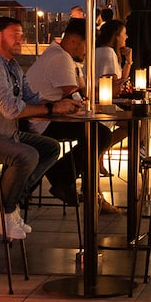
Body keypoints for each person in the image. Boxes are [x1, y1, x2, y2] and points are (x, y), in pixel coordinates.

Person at [0, 15, 75, 238]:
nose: (20, 40)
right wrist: (51, 110)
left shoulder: (12, 65)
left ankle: (9, 204)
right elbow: (10, 109)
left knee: (50, 148)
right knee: (26, 155)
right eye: (14, 36)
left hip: (2, 134)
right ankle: (3, 209)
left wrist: (60, 104)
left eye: (21, 35)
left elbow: (31, 98)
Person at [28, 18, 113, 209]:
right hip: (40, 121)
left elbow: (82, 93)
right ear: (74, 41)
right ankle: (61, 177)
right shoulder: (60, 58)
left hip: (44, 117)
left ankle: (63, 178)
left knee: (96, 133)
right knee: (100, 134)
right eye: (86, 45)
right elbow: (75, 96)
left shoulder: (60, 55)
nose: (87, 51)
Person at [93, 18, 128, 84]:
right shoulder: (107, 52)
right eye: (124, 33)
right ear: (116, 36)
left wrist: (128, 62)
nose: (126, 37)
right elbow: (112, 84)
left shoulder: (101, 50)